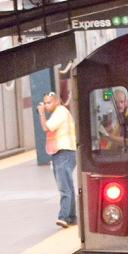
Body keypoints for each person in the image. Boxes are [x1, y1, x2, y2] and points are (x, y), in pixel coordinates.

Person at [37, 92, 77, 228]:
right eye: (45, 103)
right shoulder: (59, 113)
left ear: (56, 102)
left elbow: (45, 128)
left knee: (64, 187)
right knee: (68, 187)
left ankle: (64, 217)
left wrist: (41, 114)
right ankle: (72, 216)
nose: (46, 106)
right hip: (62, 153)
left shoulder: (60, 112)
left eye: (49, 103)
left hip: (64, 153)